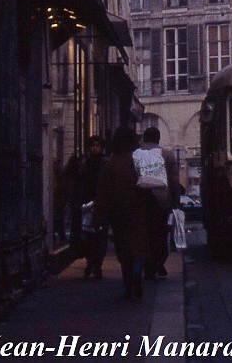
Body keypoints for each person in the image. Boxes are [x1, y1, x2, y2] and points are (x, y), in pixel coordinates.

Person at [92, 126, 150, 299]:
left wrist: (97, 219)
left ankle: (127, 283)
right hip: (139, 209)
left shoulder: (111, 164)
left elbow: (103, 193)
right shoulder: (139, 160)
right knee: (139, 245)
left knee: (124, 249)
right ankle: (138, 272)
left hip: (118, 212)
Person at [139, 126, 181, 279]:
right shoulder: (168, 155)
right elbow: (175, 181)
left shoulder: (136, 154)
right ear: (158, 138)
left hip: (141, 201)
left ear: (144, 138)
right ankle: (159, 261)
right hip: (163, 201)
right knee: (161, 234)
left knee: (144, 234)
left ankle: (147, 263)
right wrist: (176, 203)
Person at [77, 135, 108, 278]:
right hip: (87, 204)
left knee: (100, 236)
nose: (95, 148)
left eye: (98, 145)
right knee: (88, 237)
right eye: (93, 145)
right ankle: (91, 263)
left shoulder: (105, 163)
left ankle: (97, 266)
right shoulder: (85, 163)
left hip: (101, 203)